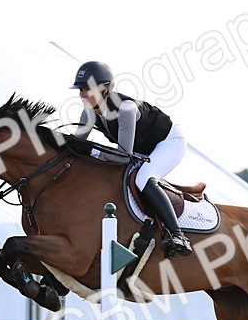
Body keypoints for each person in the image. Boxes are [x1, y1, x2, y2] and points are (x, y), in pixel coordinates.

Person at [70, 60, 192, 257]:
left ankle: (178, 235)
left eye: (87, 89)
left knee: (142, 178)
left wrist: (91, 151)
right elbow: (75, 144)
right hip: (139, 150)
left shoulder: (126, 109)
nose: (82, 94)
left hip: (169, 143)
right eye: (80, 89)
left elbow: (122, 157)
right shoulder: (89, 113)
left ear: (105, 90)